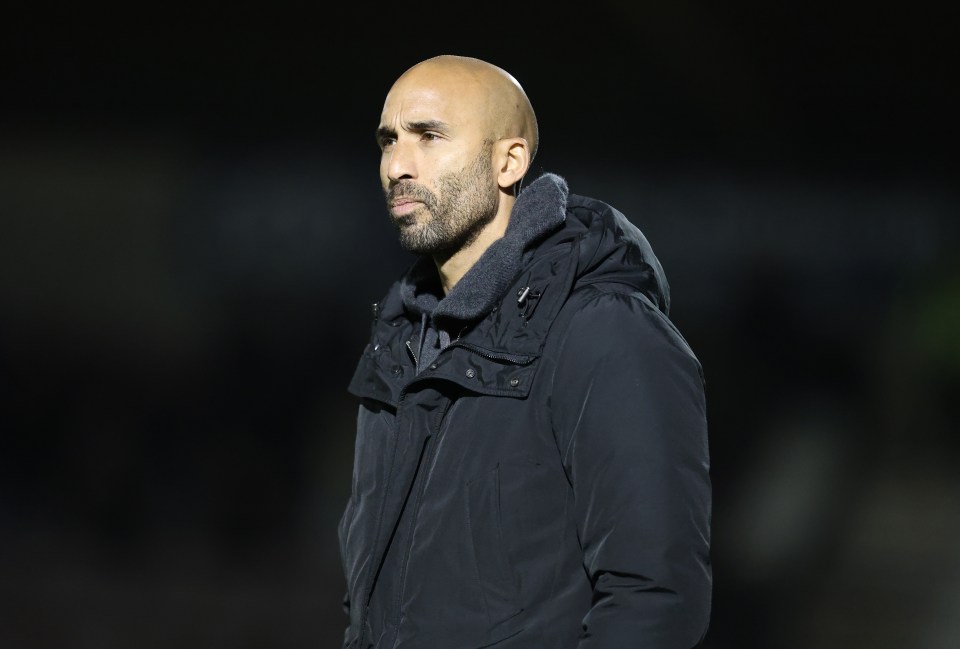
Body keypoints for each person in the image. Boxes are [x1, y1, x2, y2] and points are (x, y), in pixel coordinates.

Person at [337, 54, 712, 648]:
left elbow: (654, 600)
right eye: (389, 140)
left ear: (508, 162)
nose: (397, 166)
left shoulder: (603, 332)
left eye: (429, 136)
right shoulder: (402, 345)